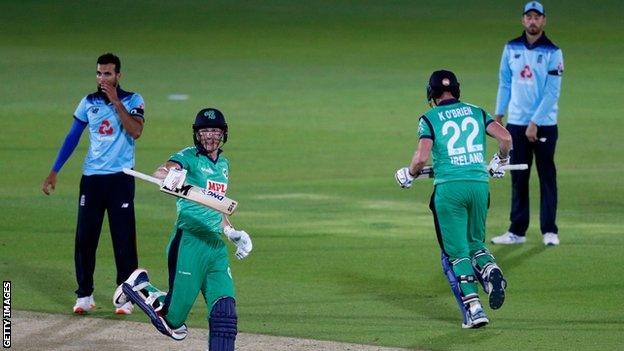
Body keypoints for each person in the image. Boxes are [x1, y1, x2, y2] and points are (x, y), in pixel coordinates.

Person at [116, 108, 252, 350]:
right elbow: (162, 170)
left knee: (225, 317)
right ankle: (140, 285)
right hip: (188, 244)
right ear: (197, 135)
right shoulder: (188, 157)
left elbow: (216, 206)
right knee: (173, 321)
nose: (210, 136)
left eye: (215, 131)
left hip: (215, 249)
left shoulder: (224, 164)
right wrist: (171, 176)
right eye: (205, 131)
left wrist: (232, 233)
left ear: (223, 134)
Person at [395, 70, 512, 328]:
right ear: (457, 89)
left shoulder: (428, 118)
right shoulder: (477, 111)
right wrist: (501, 160)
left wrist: (409, 174)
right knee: (475, 244)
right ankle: (489, 268)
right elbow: (505, 137)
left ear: (431, 93)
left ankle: (474, 308)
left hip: (450, 190)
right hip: (479, 186)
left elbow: (422, 158)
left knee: (456, 253)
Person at [41, 53, 144, 315]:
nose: (102, 78)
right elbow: (72, 137)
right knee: (85, 238)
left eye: (107, 74)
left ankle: (126, 296)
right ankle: (84, 294)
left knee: (123, 239)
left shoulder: (133, 99)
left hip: (121, 178)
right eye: (99, 73)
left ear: (118, 75)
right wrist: (54, 171)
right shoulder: (88, 102)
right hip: (92, 180)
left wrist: (116, 102)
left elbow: (136, 131)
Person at [491, 1, 564, 246]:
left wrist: (534, 122)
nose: (533, 21)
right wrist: (499, 114)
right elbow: (505, 82)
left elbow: (552, 93)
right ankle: (517, 231)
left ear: (543, 21)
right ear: (523, 20)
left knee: (546, 175)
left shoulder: (553, 52)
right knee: (518, 177)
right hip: (516, 124)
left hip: (544, 124)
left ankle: (549, 230)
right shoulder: (511, 48)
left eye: (537, 17)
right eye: (528, 17)